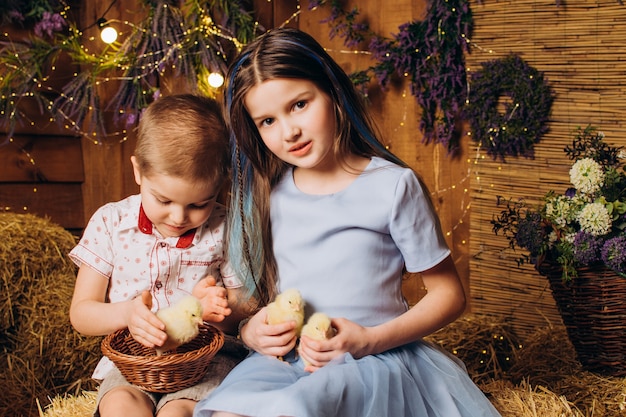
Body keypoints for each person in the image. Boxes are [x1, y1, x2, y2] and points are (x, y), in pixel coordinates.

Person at [194, 28, 501, 417]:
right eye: (267, 121)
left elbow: (449, 296)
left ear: (332, 92)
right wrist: (250, 328)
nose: (289, 131)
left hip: (373, 362)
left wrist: (368, 340)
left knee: (296, 408)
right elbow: (265, 295)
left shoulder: (391, 186)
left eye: (299, 105)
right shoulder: (269, 194)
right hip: (287, 364)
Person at [69, 94, 252, 417]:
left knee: (177, 412)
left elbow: (245, 306)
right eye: (163, 200)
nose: (179, 217)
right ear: (138, 171)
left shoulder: (226, 227)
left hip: (204, 363)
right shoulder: (112, 223)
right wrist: (126, 313)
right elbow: (82, 314)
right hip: (134, 365)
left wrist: (216, 309)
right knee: (120, 406)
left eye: (199, 204)